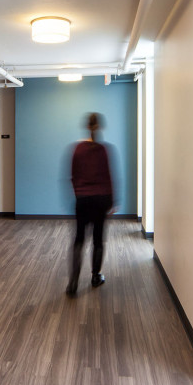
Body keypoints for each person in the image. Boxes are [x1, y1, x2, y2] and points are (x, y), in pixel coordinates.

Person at [66, 112, 115, 296]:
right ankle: (95, 277)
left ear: (87, 126)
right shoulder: (104, 150)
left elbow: (73, 176)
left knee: (79, 240)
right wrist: (111, 201)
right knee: (98, 240)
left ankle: (73, 283)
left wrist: (79, 194)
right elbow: (109, 177)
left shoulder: (77, 149)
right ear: (99, 127)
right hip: (101, 200)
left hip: (83, 200)